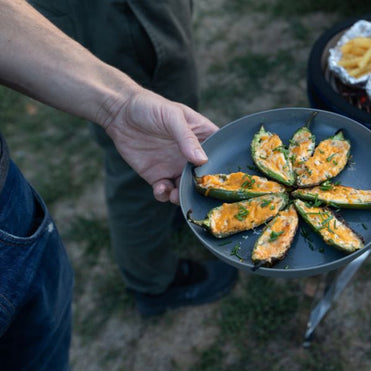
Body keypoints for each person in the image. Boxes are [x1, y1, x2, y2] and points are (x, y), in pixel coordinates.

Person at [0, 1, 237, 369]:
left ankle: (178, 215)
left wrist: (120, 106)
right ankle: (152, 281)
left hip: (8, 200)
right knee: (140, 163)